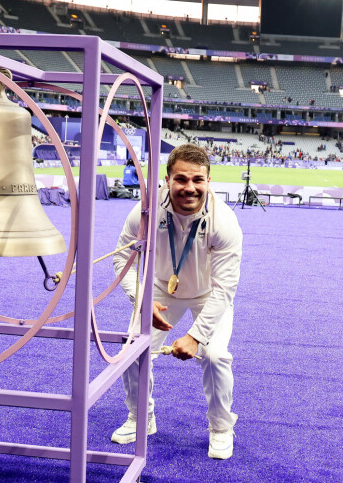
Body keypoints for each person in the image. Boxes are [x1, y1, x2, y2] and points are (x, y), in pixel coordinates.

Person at [111, 144, 243, 460]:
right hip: (157, 292)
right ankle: (141, 417)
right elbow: (122, 257)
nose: (189, 188)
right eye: (181, 179)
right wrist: (141, 300)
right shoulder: (146, 208)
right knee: (131, 352)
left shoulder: (223, 221)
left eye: (198, 180)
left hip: (208, 295)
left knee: (214, 356)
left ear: (209, 181)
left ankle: (221, 428)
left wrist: (195, 336)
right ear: (167, 179)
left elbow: (225, 289)